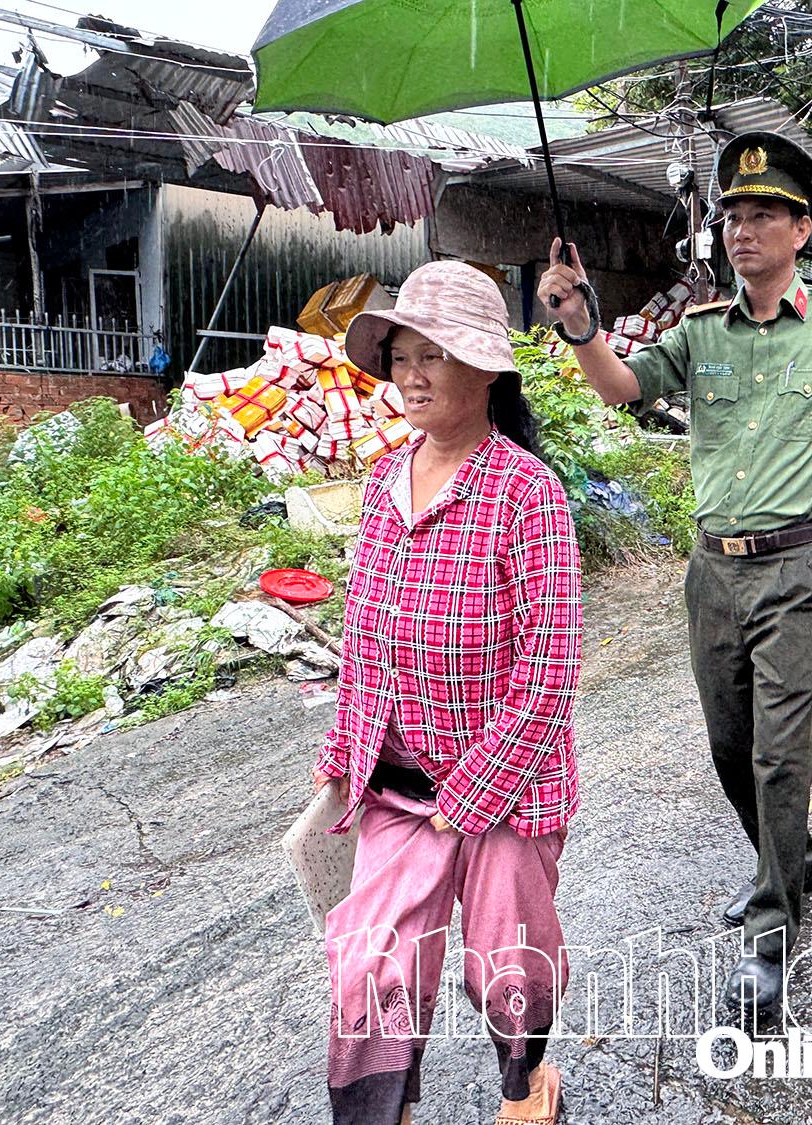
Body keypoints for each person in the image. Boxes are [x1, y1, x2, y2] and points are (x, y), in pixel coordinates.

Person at [537, 131, 812, 1014]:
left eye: (764, 214)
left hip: (798, 565)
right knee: (730, 746)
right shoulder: (700, 333)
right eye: (732, 214)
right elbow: (620, 387)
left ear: (801, 231)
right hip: (713, 572)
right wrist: (580, 324)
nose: (742, 229)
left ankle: (772, 928)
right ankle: (789, 862)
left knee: (777, 750)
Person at [315, 261, 583, 1125]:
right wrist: (343, 752)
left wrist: (468, 799)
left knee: (507, 963)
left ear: (487, 370)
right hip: (399, 786)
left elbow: (550, 669)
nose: (413, 374)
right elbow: (365, 635)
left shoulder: (526, 492)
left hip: (507, 786)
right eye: (402, 356)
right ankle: (375, 1111)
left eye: (434, 355)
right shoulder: (381, 484)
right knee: (370, 965)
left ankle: (526, 1084)